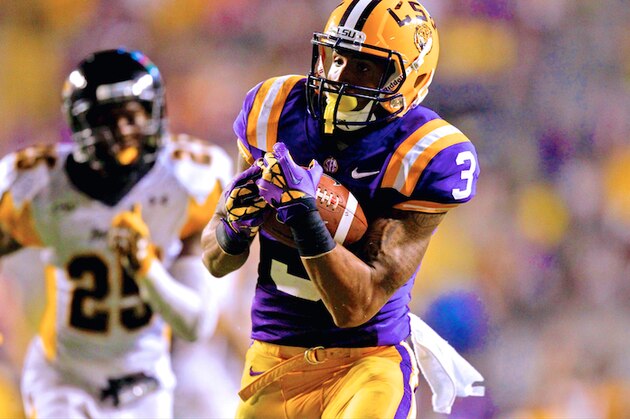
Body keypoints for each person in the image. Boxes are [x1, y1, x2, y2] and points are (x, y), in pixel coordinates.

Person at [201, 1, 484, 418]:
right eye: (337, 58)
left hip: (366, 364)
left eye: (364, 67)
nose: (338, 77)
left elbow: (356, 307)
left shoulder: (425, 153)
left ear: (413, 79)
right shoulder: (273, 108)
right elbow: (214, 261)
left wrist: (303, 215)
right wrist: (234, 228)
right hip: (273, 359)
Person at [0, 48, 233, 418]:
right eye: (106, 119)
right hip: (64, 379)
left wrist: (146, 268)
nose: (121, 131)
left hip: (145, 381)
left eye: (131, 116)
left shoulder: (187, 182)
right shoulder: (39, 186)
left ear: (154, 113)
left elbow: (194, 325)